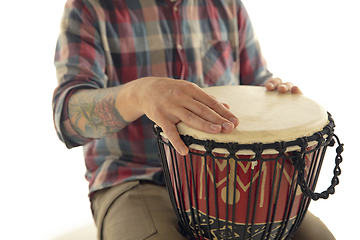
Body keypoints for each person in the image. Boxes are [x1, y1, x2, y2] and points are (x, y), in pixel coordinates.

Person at [52, 0, 335, 239]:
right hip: (135, 176)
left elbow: (254, 82)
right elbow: (68, 119)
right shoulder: (90, 7)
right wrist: (140, 94)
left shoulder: (226, 4)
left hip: (233, 174)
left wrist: (274, 94)